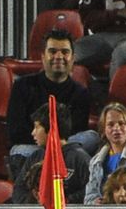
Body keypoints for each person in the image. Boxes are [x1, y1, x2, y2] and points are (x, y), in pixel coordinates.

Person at [6, 29, 94, 165]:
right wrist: (47, 142)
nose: (59, 56)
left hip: (65, 148)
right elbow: (16, 132)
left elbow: (76, 131)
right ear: (43, 57)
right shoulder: (22, 86)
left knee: (92, 138)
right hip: (33, 148)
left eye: (65, 52)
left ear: (73, 58)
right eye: (52, 51)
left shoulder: (80, 93)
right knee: (20, 151)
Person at [11, 101, 91, 205]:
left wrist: (66, 201)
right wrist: (38, 204)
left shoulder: (80, 158)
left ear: (52, 129)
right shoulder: (35, 156)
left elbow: (90, 191)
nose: (33, 133)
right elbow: (19, 190)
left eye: (37, 127)